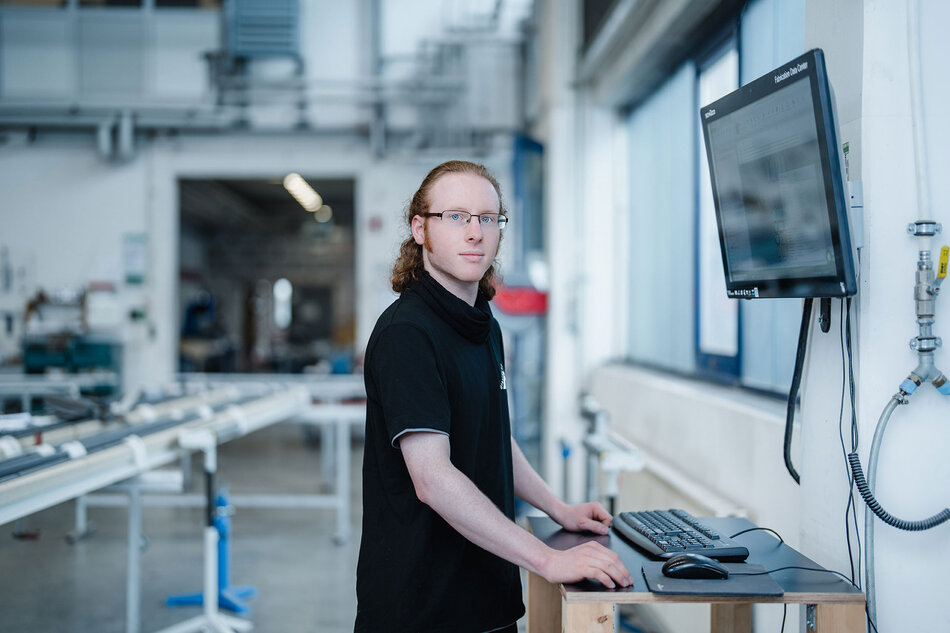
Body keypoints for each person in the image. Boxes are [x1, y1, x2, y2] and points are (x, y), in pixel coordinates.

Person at [355, 160, 632, 633]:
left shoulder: (485, 327)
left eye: (488, 218)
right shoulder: (408, 334)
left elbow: (493, 437)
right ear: (420, 228)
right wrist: (545, 559)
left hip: (486, 596)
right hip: (422, 610)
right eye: (456, 217)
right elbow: (433, 479)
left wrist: (558, 509)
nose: (475, 233)